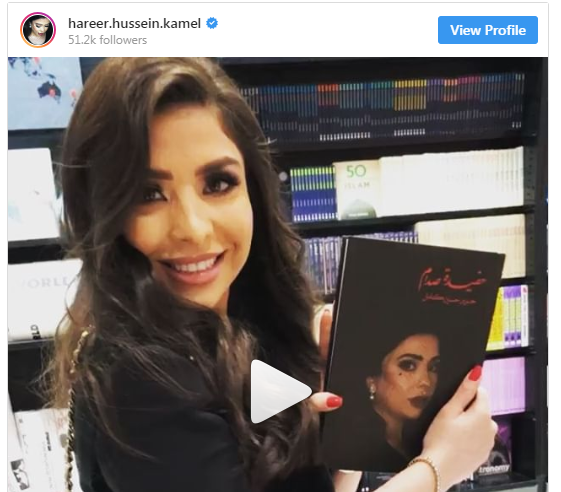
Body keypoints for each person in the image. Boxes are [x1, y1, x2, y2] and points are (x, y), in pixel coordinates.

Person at [46, 58, 497, 492]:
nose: (193, 228)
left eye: (217, 183)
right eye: (149, 194)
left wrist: (343, 441)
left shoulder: (238, 332)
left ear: (254, 190)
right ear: (103, 211)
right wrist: (436, 468)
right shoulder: (141, 382)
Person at [363, 330, 441, 471]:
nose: (426, 381)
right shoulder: (357, 449)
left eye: (433, 367)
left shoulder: (421, 443)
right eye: (408, 366)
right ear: (372, 381)